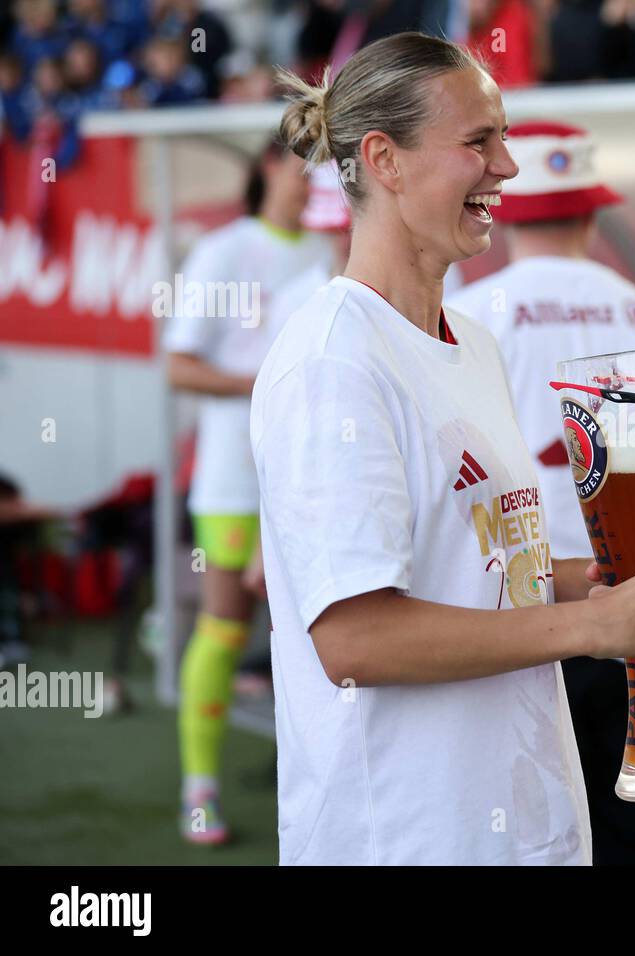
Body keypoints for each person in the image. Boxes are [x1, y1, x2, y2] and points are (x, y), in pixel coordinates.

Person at [259, 31, 635, 866]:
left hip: (516, 825)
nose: (507, 167)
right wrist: (593, 623)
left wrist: (598, 580)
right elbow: (357, 639)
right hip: (407, 836)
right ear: (384, 160)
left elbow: (479, 566)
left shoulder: (471, 339)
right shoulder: (334, 357)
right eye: (480, 141)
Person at [447, 120, 635, 865]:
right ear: (593, 214)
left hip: (521, 608)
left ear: (503, 210)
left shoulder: (467, 314)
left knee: (530, 822)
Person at [164, 140, 330, 845]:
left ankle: (322, 789)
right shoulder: (224, 251)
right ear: (268, 169)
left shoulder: (330, 253)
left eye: (326, 171)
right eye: (305, 167)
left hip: (315, 477)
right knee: (227, 625)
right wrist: (264, 384)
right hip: (235, 480)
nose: (313, 182)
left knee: (321, 632)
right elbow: (178, 364)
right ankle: (198, 789)